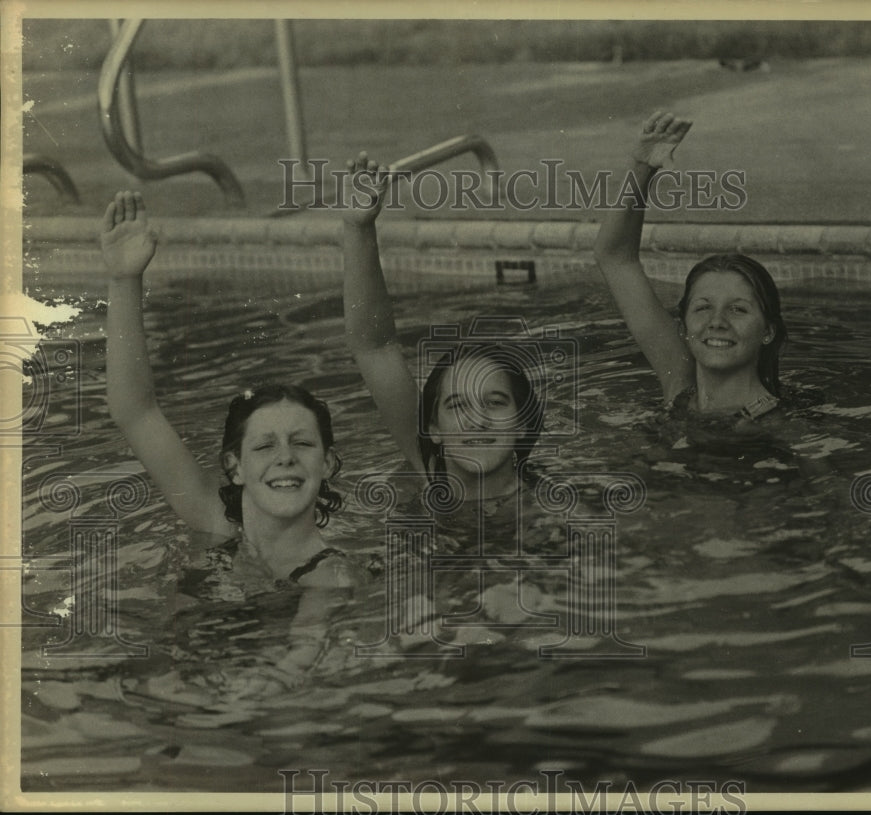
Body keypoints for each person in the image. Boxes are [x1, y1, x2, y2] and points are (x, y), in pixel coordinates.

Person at [101, 191, 355, 590]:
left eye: (302, 443)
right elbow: (135, 412)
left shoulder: (332, 576)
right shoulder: (213, 520)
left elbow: (305, 651)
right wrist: (124, 280)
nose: (285, 458)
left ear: (327, 463)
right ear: (235, 467)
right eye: (264, 446)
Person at [341, 154, 544, 505]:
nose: (476, 421)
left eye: (494, 403)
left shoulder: (553, 511)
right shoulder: (430, 470)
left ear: (522, 422)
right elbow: (374, 346)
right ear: (434, 431)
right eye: (456, 405)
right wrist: (358, 228)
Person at [594, 110, 788, 421]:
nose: (717, 322)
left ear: (768, 331)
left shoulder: (779, 426)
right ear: (683, 328)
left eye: (737, 309)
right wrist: (643, 166)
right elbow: (614, 257)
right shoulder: (680, 388)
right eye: (702, 308)